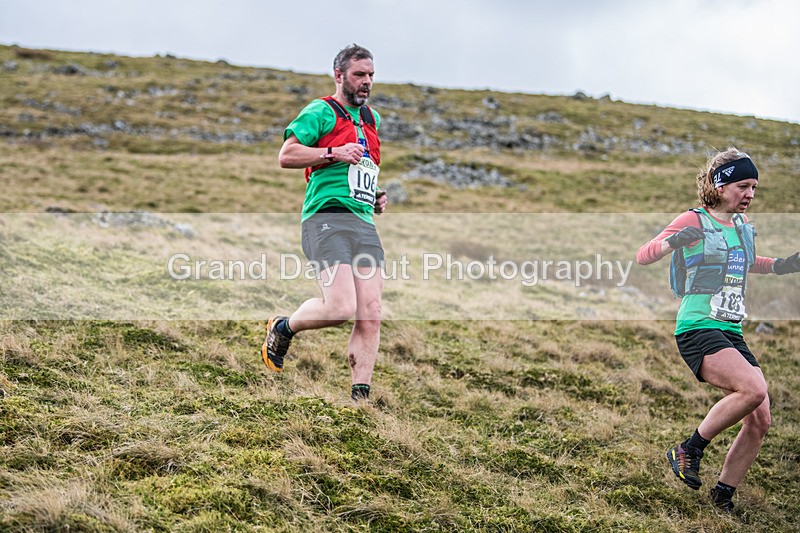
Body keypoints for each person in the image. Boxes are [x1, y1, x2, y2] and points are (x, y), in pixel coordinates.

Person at [637, 147, 800, 512]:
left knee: (760, 419)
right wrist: (672, 242)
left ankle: (722, 495)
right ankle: (689, 449)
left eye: (754, 187)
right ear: (721, 185)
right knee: (754, 389)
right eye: (743, 185)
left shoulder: (741, 226)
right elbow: (643, 254)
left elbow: (745, 261)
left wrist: (784, 265)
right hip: (697, 325)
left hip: (731, 330)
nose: (750, 195)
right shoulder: (694, 220)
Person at [262, 44, 388, 402]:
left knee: (372, 313)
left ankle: (360, 400)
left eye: (371, 76)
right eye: (359, 75)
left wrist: (373, 195)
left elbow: (358, 169)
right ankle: (283, 328)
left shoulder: (371, 120)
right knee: (340, 308)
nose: (366, 83)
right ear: (339, 75)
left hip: (363, 223)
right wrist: (332, 152)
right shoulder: (321, 110)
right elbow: (287, 155)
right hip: (325, 217)